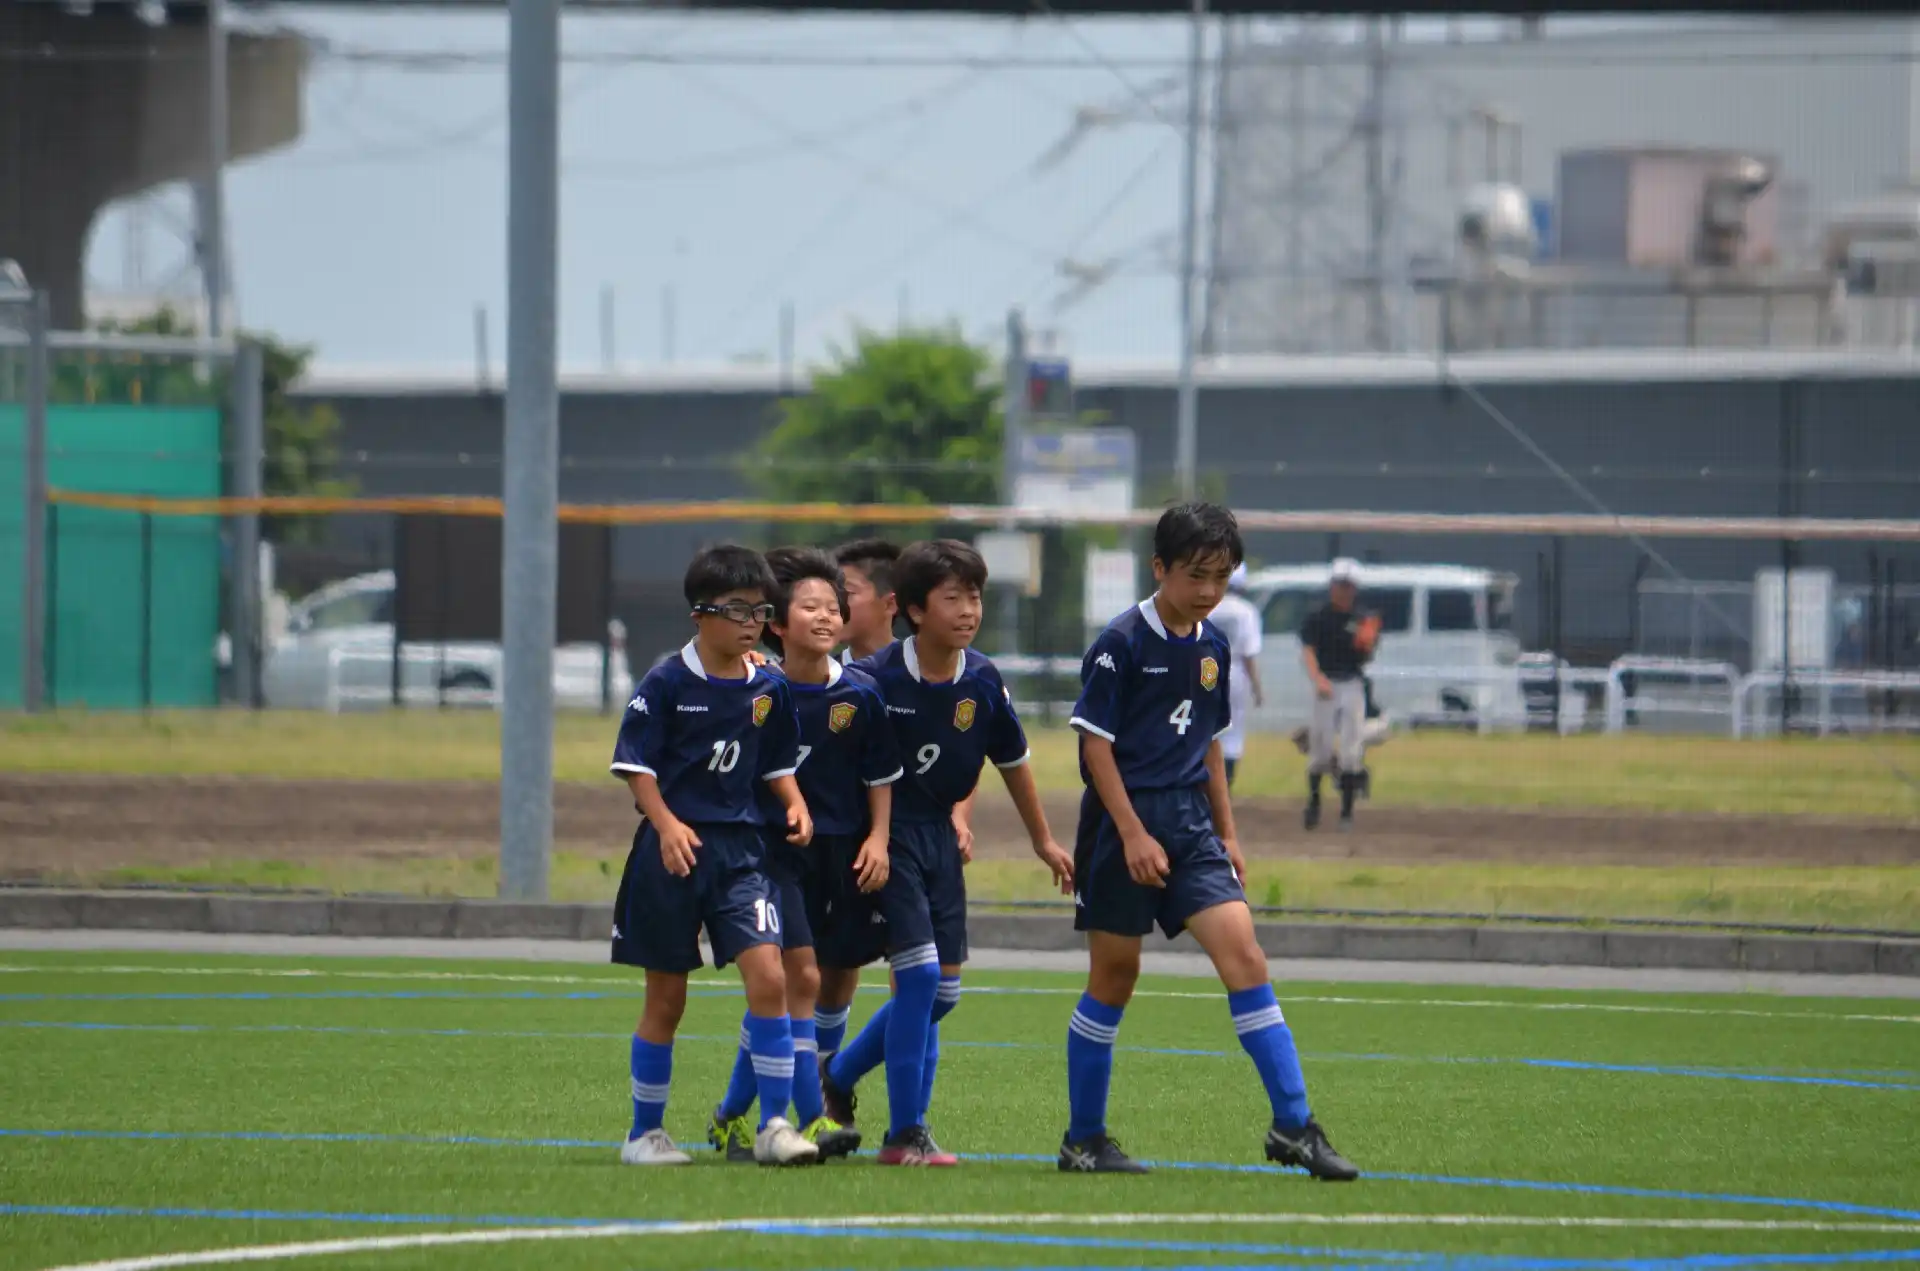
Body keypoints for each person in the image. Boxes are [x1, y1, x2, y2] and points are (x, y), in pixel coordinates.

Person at [1060, 503, 1358, 1180]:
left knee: (1245, 955)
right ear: (1159, 567)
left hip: (1191, 826)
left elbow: (1211, 745)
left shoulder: (1213, 645)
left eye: (1222, 576)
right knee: (1115, 976)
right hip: (1119, 828)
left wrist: (1228, 831)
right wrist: (1132, 832)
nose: (1209, 590)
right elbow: (1095, 750)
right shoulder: (1119, 642)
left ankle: (1294, 1126)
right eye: (1196, 575)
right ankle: (1083, 1137)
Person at [821, 538, 1075, 1166]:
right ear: (912, 610)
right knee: (922, 977)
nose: (968, 610)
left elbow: (1012, 762)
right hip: (886, 838)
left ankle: (839, 1074)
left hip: (936, 837)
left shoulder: (983, 679)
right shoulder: (872, 680)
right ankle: (906, 1134)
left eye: (975, 597)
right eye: (952, 598)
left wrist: (1043, 840)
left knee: (942, 994)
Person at [608, 544, 819, 1167]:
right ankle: (644, 1134)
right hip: (672, 853)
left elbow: (777, 761)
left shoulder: (768, 685)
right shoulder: (667, 681)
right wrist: (668, 825)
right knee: (666, 1000)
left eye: (760, 609)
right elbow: (635, 768)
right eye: (737, 609)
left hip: (742, 854)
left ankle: (774, 1126)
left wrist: (795, 801)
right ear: (700, 614)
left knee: (771, 978)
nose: (753, 621)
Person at [706, 548, 901, 1163]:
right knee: (798, 979)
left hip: (843, 856)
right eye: (809, 606)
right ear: (777, 624)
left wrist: (877, 839)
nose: (825, 616)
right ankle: (808, 1115)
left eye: (833, 606)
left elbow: (881, 776)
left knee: (828, 981)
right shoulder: (758, 690)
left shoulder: (862, 695)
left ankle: (734, 1115)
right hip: (776, 855)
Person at [1299, 557, 1376, 831]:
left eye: (1348, 585)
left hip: (1352, 683)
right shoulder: (1319, 617)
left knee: (1350, 752)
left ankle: (1346, 812)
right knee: (1320, 751)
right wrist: (1317, 677)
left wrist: (1367, 644)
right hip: (1327, 684)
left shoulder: (1362, 618)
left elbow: (1366, 656)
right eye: (1339, 584)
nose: (1343, 590)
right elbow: (1307, 650)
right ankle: (1315, 801)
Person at [1206, 562, 1266, 788]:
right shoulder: (1246, 611)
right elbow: (1249, 654)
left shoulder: (1206, 604)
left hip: (1206, 669)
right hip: (1235, 672)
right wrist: (1257, 689)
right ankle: (1224, 789)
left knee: (1205, 730)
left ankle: (1203, 789)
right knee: (1233, 733)